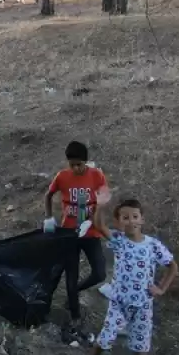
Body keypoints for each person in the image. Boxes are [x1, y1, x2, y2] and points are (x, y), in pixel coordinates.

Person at [90, 199, 179, 355]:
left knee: (140, 342)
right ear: (118, 221)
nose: (131, 221)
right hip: (119, 303)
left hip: (143, 304)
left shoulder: (153, 245)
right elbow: (98, 225)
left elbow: (173, 266)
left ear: (142, 219)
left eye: (135, 217)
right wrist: (101, 205)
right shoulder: (119, 241)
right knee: (106, 335)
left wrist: (161, 288)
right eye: (125, 218)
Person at [44, 141, 110, 337]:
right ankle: (75, 316)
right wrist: (48, 217)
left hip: (90, 232)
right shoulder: (62, 177)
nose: (76, 168)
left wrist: (90, 221)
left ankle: (78, 290)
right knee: (70, 276)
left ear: (86, 162)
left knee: (99, 272)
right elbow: (48, 195)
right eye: (72, 164)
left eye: (79, 164)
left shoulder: (96, 175)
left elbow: (103, 201)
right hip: (69, 232)